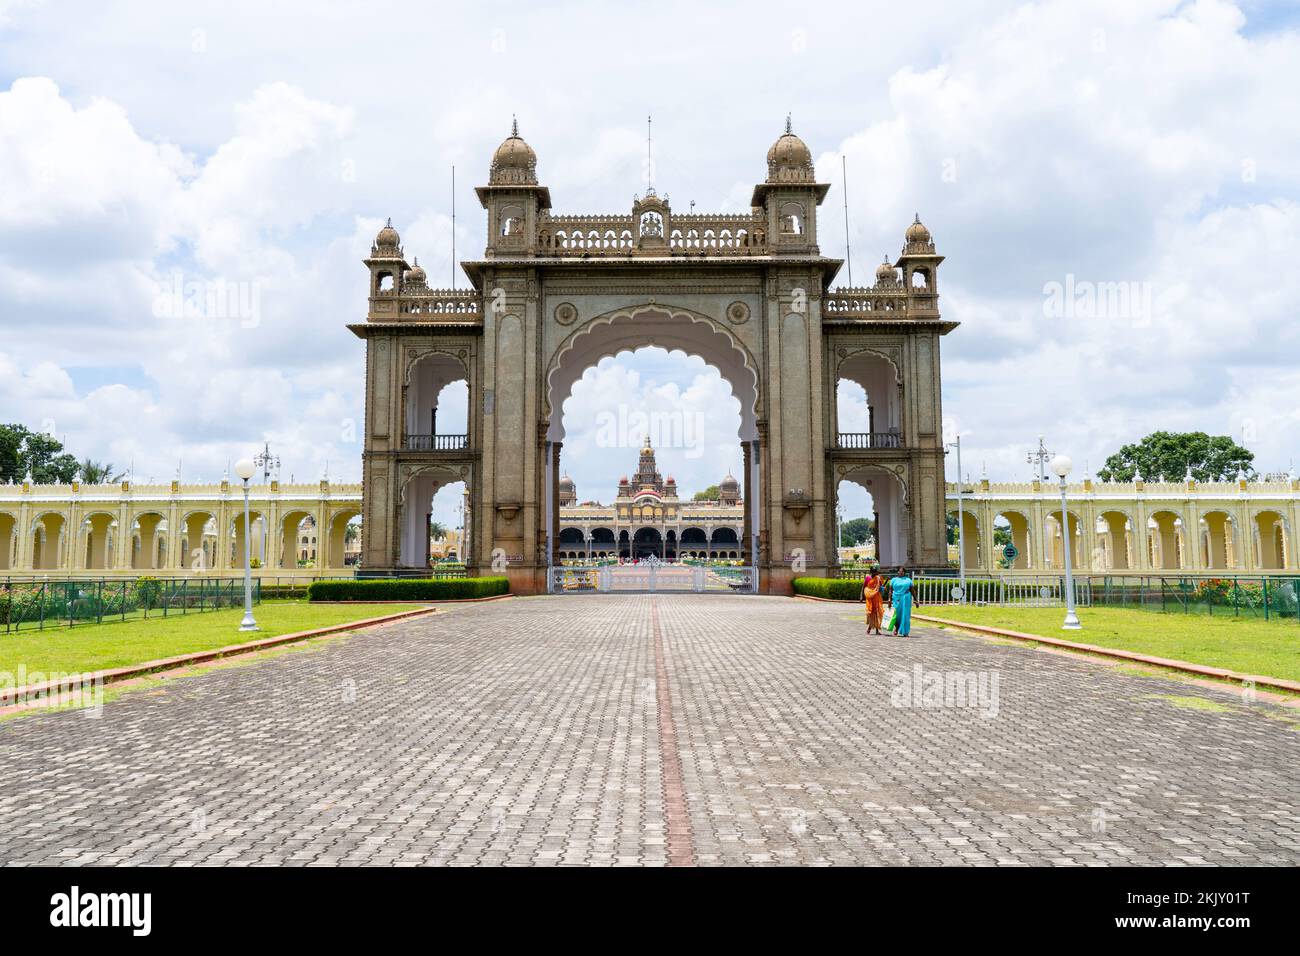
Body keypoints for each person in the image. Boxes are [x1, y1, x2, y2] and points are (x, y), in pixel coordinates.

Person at [888, 567, 915, 637]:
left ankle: (905, 632)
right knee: (896, 616)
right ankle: (897, 628)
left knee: (905, 615)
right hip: (896, 599)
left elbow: (912, 590)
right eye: (899, 571)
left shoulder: (908, 580)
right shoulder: (893, 580)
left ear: (904, 573)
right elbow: (890, 590)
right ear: (897, 572)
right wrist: (889, 599)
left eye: (902, 571)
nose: (901, 572)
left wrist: (916, 600)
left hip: (905, 599)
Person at [861, 566, 884, 635]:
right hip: (870, 598)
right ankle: (869, 628)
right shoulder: (868, 578)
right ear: (871, 572)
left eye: (875, 571)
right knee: (871, 613)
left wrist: (885, 582)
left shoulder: (878, 578)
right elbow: (864, 587)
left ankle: (877, 630)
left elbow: (880, 587)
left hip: (876, 597)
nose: (875, 573)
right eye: (873, 571)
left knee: (877, 612)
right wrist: (861, 596)